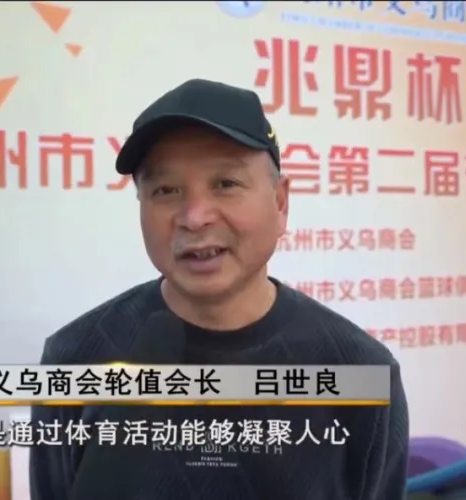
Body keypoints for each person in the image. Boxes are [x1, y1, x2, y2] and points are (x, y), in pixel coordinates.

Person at [30, 79, 409, 500]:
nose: (194, 217)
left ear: (280, 203)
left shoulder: (361, 372)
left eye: (226, 183)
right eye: (166, 190)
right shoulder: (74, 359)